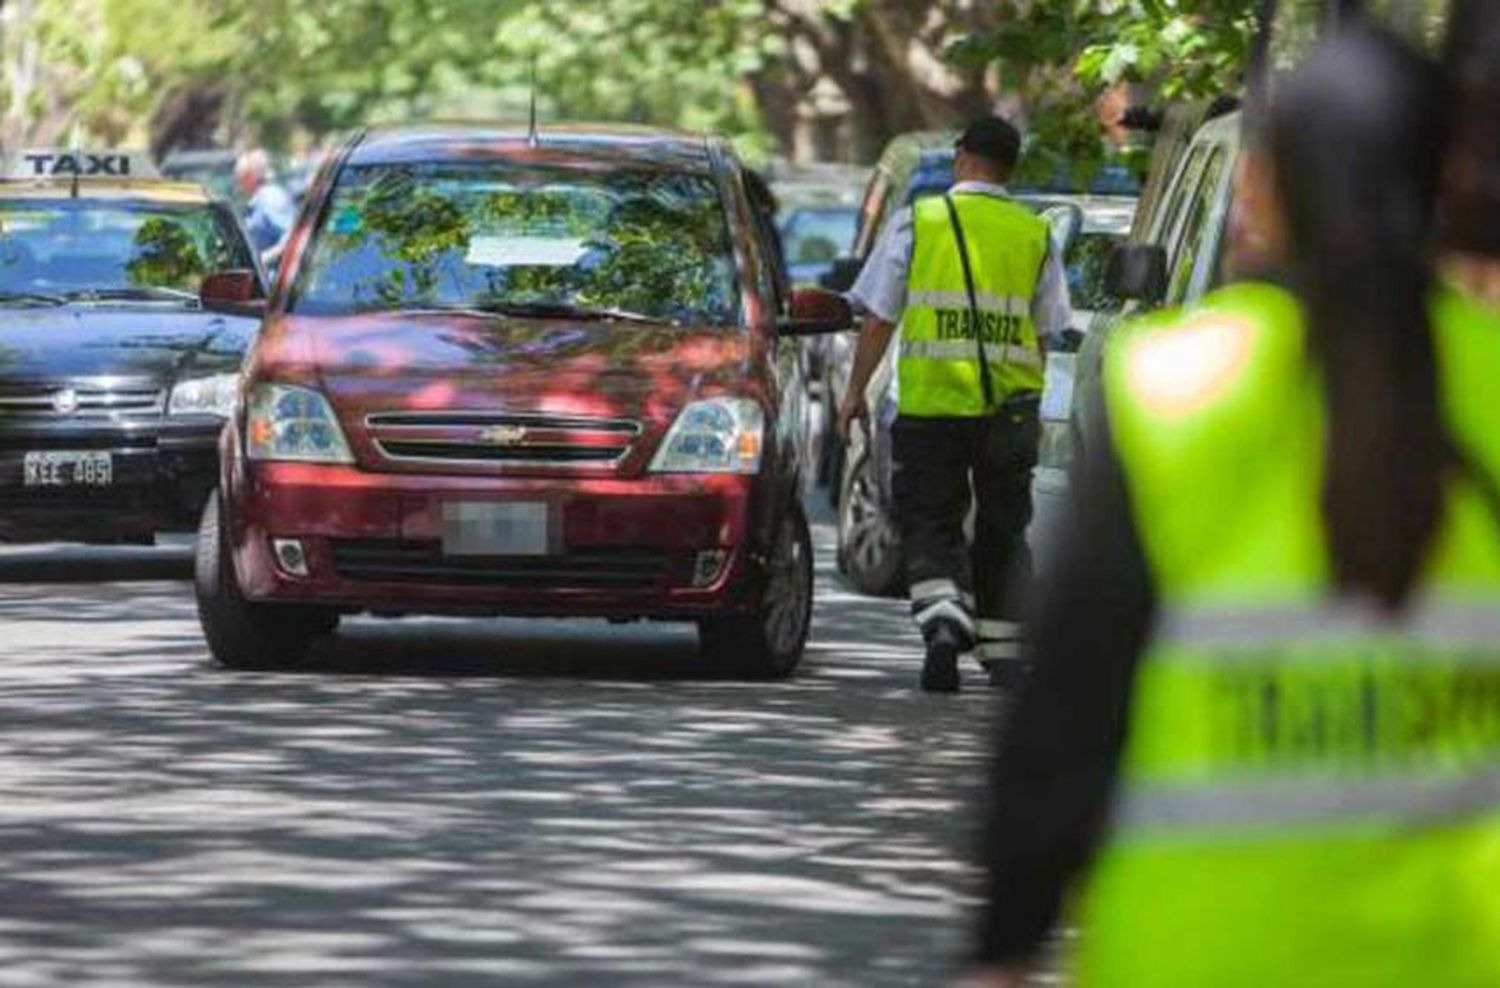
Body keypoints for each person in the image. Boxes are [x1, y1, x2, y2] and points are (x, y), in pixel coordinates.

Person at [970, 25, 1500, 987]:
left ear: (1263, 190)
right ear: (1450, 184)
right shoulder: (1487, 383)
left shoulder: (1176, 386)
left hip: (1197, 952)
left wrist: (1006, 943)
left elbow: (1072, 705)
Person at [837, 116, 1071, 693]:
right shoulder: (1034, 234)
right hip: (1009, 409)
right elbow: (1046, 332)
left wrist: (853, 395)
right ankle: (1005, 652)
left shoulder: (919, 222)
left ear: (961, 156)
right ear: (1011, 166)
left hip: (931, 405)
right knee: (1003, 528)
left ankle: (943, 623)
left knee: (931, 522)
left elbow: (879, 319)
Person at [235, 148, 297, 268]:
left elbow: (291, 238)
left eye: (241, 176)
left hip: (274, 278)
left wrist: (262, 259)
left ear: (252, 176)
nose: (238, 182)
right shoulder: (258, 200)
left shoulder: (270, 198)